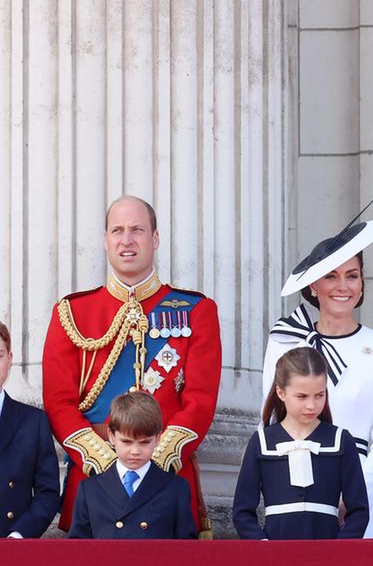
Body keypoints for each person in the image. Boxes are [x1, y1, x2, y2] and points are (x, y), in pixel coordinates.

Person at [42, 196, 222, 535]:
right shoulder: (72, 313)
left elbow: (200, 402)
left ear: (154, 239)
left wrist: (151, 465)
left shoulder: (197, 310)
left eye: (137, 230)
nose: (127, 240)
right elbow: (58, 403)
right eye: (118, 231)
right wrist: (107, 463)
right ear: (106, 240)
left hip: (166, 484)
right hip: (94, 483)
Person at [262, 216, 373, 539]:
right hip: (292, 491)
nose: (343, 286)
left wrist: (355, 497)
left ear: (362, 283)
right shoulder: (285, 340)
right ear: (313, 285)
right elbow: (268, 421)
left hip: (354, 496)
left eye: (352, 276)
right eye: (331, 276)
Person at [236, 347, 368, 539]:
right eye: (302, 396)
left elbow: (359, 510)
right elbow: (242, 511)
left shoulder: (341, 440)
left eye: (320, 395)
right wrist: (262, 545)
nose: (311, 405)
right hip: (275, 553)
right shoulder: (262, 442)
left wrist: (340, 548)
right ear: (281, 393)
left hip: (328, 554)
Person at [69, 392, 197, 539]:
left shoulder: (176, 488)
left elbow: (186, 549)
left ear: (157, 438)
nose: (135, 451)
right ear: (111, 436)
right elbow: (78, 548)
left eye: (144, 442)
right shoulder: (90, 489)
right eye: (127, 442)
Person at [0, 320, 62, 538]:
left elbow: (48, 492)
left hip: (12, 545)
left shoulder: (33, 421)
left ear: (10, 359)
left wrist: (19, 535)